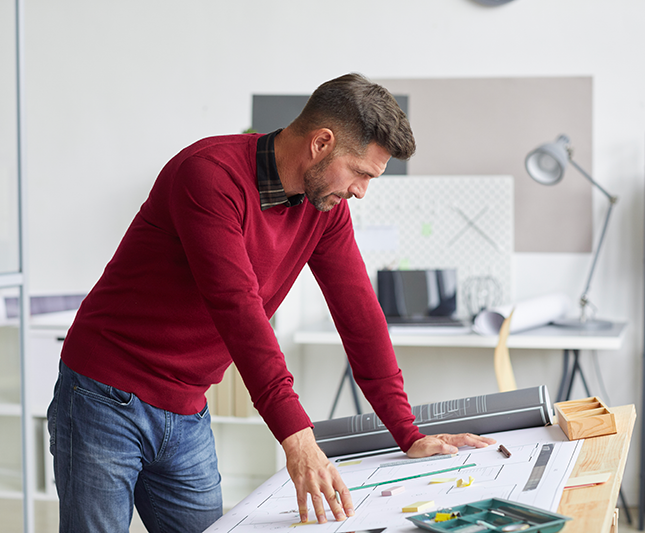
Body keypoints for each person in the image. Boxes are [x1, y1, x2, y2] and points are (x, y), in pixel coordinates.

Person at [47, 73, 495, 533]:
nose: (361, 191)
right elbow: (238, 310)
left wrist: (408, 432)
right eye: (361, 172)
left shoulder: (325, 209)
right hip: (104, 394)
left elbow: (360, 315)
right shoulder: (208, 175)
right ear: (321, 143)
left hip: (186, 407)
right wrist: (298, 440)